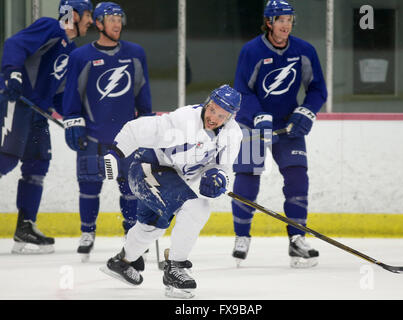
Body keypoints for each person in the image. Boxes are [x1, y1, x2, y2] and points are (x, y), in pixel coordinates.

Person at [99, 84, 242, 299]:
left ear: (230, 117)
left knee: (152, 227)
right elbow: (135, 129)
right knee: (197, 207)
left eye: (222, 115)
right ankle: (175, 267)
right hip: (147, 168)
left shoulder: (233, 134)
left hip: (172, 178)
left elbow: (222, 167)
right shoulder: (182, 120)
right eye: (212, 110)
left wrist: (217, 177)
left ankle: (121, 262)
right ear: (207, 103)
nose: (214, 118)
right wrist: (114, 153)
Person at [231, 0, 327, 268]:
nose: (286, 24)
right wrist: (257, 115)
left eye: (289, 19)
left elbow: (318, 88)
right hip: (252, 125)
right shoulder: (251, 51)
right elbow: (242, 89)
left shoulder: (304, 50)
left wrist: (307, 111)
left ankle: (297, 239)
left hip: (288, 125)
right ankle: (241, 237)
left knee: (297, 178)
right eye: (280, 20)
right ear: (269, 22)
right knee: (248, 176)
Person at [0, 0, 94, 254]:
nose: (91, 21)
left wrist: (77, 117)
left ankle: (25, 227)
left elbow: (59, 96)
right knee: (6, 159)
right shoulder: (50, 28)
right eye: (87, 15)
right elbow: (14, 44)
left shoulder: (71, 50)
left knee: (38, 163)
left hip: (36, 112)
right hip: (15, 101)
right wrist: (13, 73)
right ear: (73, 14)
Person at [62, 2, 152, 262]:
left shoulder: (136, 54)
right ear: (99, 24)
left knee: (131, 190)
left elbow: (142, 95)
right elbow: (72, 96)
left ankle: (132, 236)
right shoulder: (81, 56)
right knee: (89, 187)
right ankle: (87, 232)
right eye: (110, 19)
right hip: (93, 137)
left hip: (126, 140)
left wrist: (147, 124)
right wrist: (73, 121)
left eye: (119, 19)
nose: (117, 24)